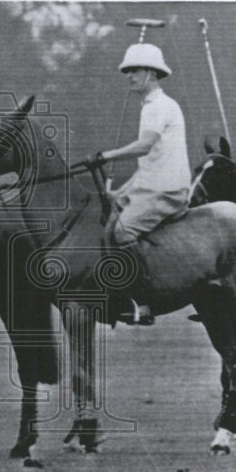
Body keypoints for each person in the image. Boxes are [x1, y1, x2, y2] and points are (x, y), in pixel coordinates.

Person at [98, 43, 191, 325]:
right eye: (127, 71)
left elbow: (145, 146)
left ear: (150, 73)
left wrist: (107, 155)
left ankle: (144, 300)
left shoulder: (161, 105)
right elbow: (148, 164)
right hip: (152, 184)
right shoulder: (150, 106)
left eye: (134, 70)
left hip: (168, 189)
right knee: (108, 220)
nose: (129, 76)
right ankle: (114, 291)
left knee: (123, 233)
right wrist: (120, 192)